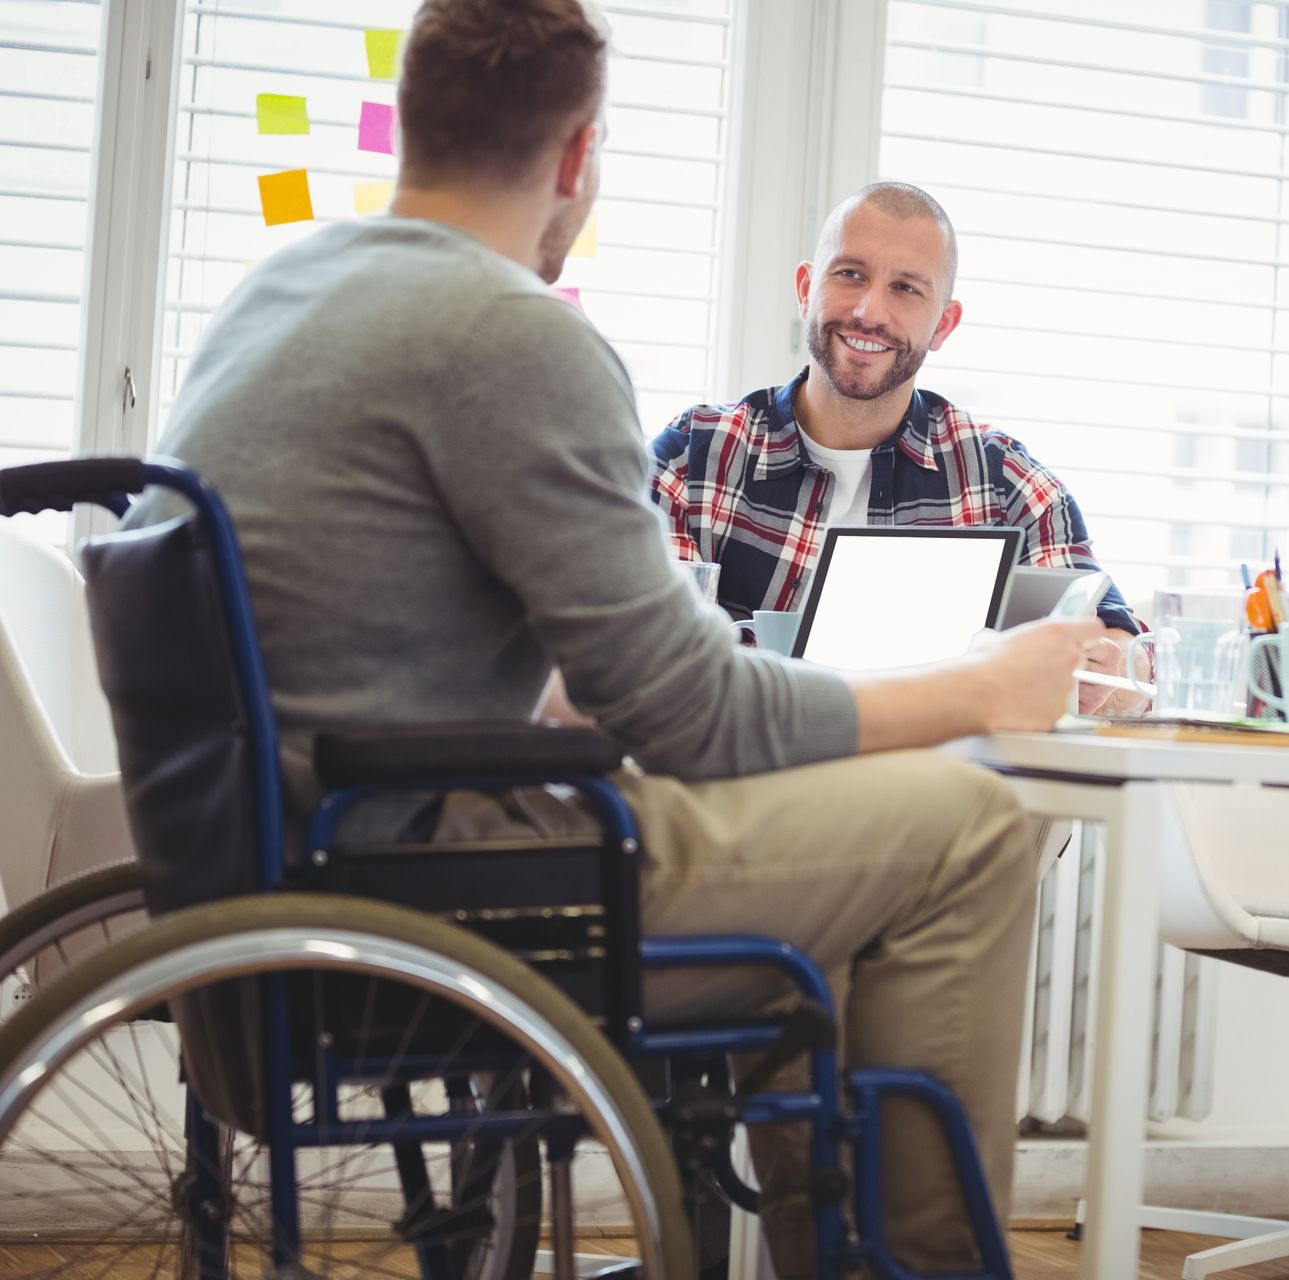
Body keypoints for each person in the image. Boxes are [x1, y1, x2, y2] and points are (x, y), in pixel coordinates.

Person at [126, 1, 1100, 1273]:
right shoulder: (516, 335)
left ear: (417, 117)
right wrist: (983, 686)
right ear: (578, 158)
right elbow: (694, 714)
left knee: (850, 850)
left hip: (291, 865)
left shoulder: (284, 290)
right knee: (965, 825)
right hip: (425, 883)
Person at [650, 182, 1142, 714]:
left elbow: (1116, 651)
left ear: (943, 324)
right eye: (850, 274)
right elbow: (644, 661)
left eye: (906, 288)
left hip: (933, 783)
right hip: (738, 778)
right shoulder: (693, 458)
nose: (869, 311)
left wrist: (1108, 671)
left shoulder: (1005, 481)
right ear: (805, 288)